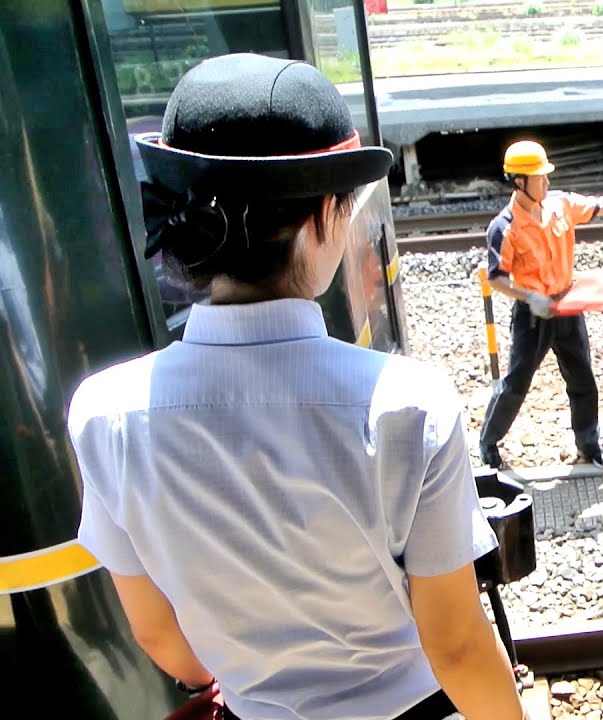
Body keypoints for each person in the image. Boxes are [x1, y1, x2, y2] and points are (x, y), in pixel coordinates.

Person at [67, 53, 525, 720]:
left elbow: (159, 634)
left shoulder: (104, 414)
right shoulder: (409, 403)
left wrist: (233, 680)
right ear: (322, 220)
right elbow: (454, 645)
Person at [477, 139, 603, 471]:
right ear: (519, 182)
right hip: (533, 315)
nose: (546, 181)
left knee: (582, 378)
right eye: (539, 177)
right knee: (517, 381)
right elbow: (496, 276)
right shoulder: (504, 227)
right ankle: (488, 441)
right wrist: (529, 297)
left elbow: (599, 206)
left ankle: (588, 443)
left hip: (567, 306)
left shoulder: (560, 205)